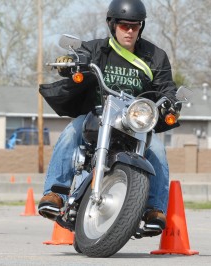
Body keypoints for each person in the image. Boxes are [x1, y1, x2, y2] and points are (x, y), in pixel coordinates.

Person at [38, 0, 180, 233]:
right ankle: (55, 193)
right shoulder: (95, 49)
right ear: (112, 25)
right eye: (124, 26)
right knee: (71, 132)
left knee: (159, 151)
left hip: (135, 124)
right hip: (98, 116)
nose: (130, 31)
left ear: (141, 27)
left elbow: (166, 88)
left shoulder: (155, 56)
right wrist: (71, 63)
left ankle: (154, 208)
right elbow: (80, 60)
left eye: (135, 26)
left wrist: (170, 103)